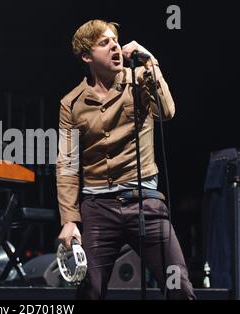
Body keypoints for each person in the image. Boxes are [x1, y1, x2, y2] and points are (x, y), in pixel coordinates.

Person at [56, 19, 195, 299]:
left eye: (115, 41)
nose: (114, 47)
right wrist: (69, 219)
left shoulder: (140, 79)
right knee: (90, 290)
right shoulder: (71, 104)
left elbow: (166, 112)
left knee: (178, 284)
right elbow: (67, 164)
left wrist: (151, 63)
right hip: (98, 208)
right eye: (104, 43)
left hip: (144, 201)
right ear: (86, 56)